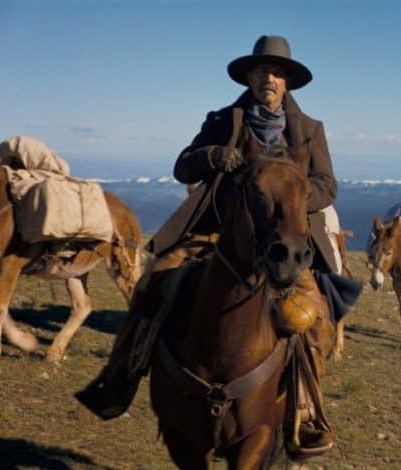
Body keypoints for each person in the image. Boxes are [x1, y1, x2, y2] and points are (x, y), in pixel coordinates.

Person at [76, 35, 357, 457]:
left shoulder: (310, 131)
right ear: (250, 75)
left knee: (312, 317)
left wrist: (292, 198)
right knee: (153, 283)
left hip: (284, 239)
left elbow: (327, 186)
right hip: (216, 233)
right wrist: (212, 156)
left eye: (278, 73)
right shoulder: (224, 118)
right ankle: (121, 375)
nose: (270, 79)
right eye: (263, 70)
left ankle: (305, 411)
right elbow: (182, 165)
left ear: (288, 83)